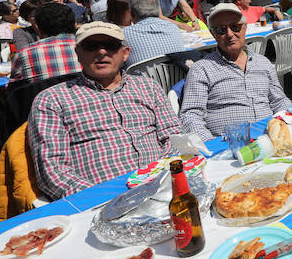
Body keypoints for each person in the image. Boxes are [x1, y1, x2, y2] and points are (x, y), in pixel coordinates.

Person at [28, 21, 181, 199]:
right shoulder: (52, 99)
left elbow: (173, 136)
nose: (101, 52)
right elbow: (53, 170)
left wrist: (165, 176)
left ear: (125, 54)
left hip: (164, 186)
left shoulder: (148, 86)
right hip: (103, 201)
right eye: (91, 46)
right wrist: (105, 197)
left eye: (110, 46)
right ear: (78, 54)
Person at [180, 3, 291, 141]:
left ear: (244, 28)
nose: (230, 34)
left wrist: (290, 123)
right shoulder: (202, 69)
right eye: (221, 30)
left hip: (272, 137)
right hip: (229, 145)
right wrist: (212, 146)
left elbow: (279, 101)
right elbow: (190, 115)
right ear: (213, 34)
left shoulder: (263, 62)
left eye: (235, 27)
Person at [9, 2, 80, 82]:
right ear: (75, 24)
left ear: (38, 29)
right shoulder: (89, 47)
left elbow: (14, 87)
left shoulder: (23, 54)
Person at [122, 0, 186, 68]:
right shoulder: (173, 27)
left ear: (131, 12)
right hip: (177, 77)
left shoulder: (124, 34)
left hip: (143, 79)